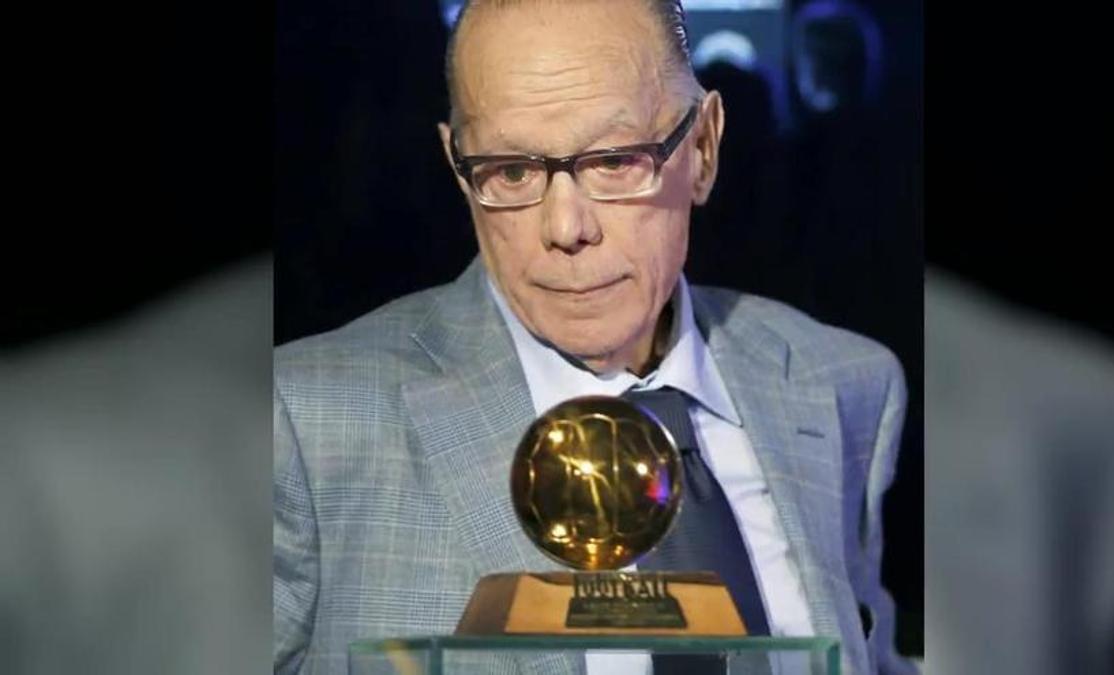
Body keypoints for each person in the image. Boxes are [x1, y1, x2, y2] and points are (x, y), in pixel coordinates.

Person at [274, 1, 915, 673]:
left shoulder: (842, 385)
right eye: (511, 171)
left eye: (614, 160)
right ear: (458, 168)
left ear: (702, 148)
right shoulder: (304, 425)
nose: (565, 227)